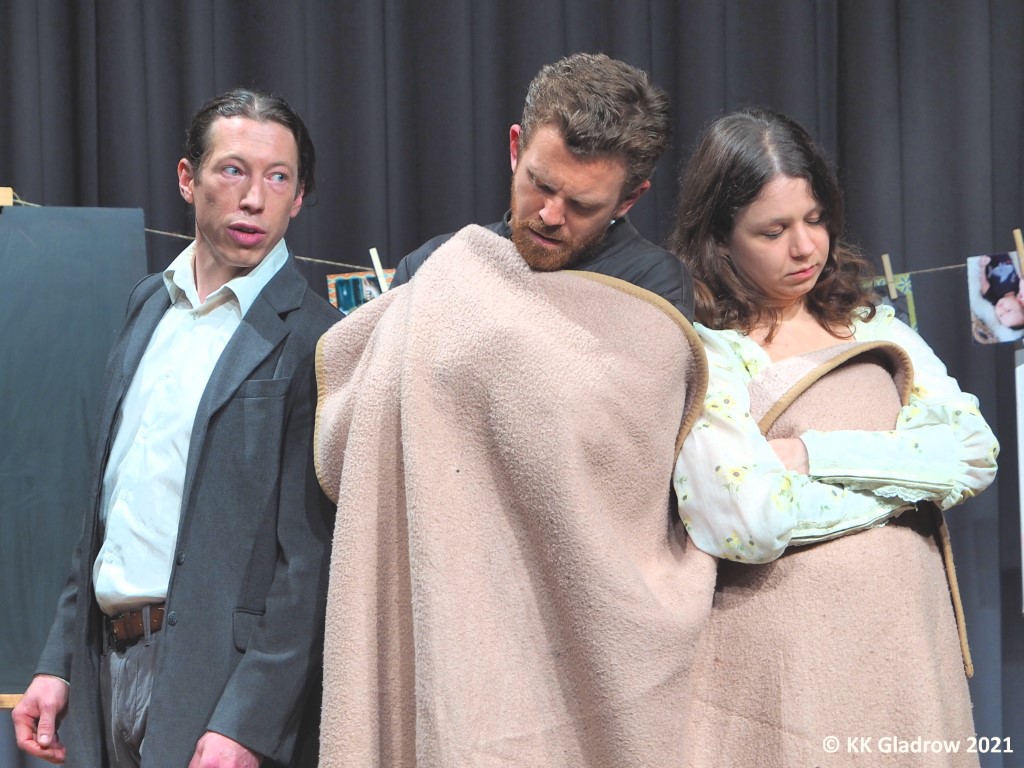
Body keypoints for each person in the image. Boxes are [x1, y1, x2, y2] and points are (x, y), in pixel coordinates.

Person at [12, 88, 340, 768]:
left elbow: (310, 564)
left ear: (299, 197)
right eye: (233, 170)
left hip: (216, 687)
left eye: (279, 178)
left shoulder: (318, 338)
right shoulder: (148, 305)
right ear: (188, 178)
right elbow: (107, 509)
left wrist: (248, 723)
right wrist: (58, 660)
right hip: (104, 667)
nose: (254, 198)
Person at [667, 108, 998, 766]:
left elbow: (971, 453)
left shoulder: (875, 326)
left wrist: (811, 455)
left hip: (909, 650)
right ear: (720, 237)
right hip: (790, 669)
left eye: (814, 219)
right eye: (773, 231)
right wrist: (907, 489)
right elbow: (746, 518)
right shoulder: (709, 351)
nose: (805, 248)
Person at [390, 52, 694, 318]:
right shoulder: (432, 264)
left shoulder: (651, 288)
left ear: (629, 199)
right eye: (542, 185)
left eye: (582, 205)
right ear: (515, 149)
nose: (550, 216)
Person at [977, 252, 1024, 329]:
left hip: (988, 257)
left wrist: (982, 267)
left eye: (1001, 315)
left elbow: (983, 283)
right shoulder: (1018, 288)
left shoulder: (993, 298)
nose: (1001, 309)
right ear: (1020, 303)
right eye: (1008, 310)